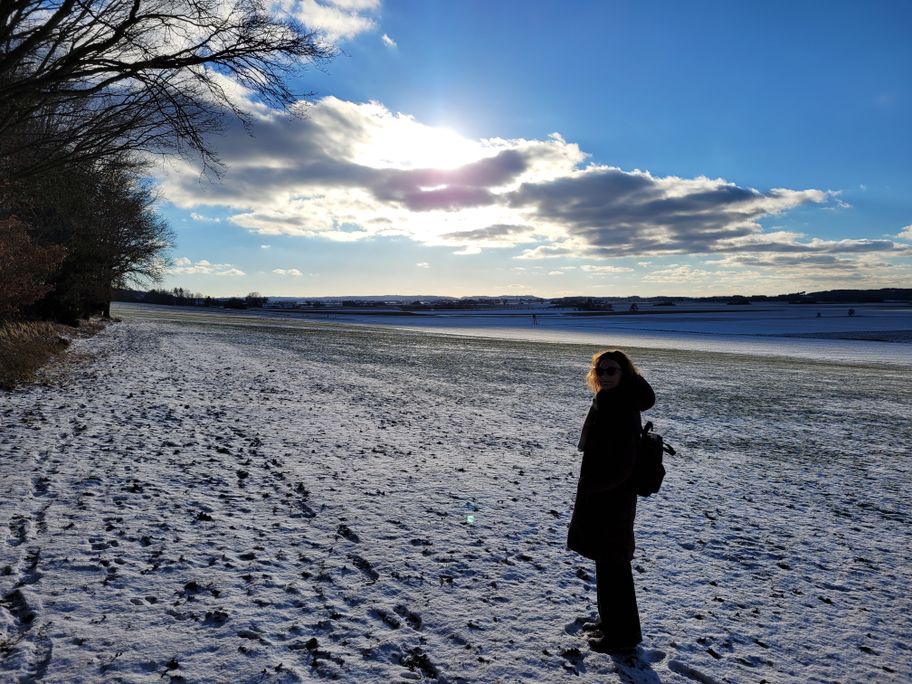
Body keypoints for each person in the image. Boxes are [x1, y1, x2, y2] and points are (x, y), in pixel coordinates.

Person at [567, 349, 655, 654]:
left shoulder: (620, 406)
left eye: (611, 371)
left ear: (624, 373)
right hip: (606, 497)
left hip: (611, 500)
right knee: (606, 564)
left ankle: (624, 636)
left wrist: (594, 487)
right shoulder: (610, 400)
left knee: (615, 567)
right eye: (600, 370)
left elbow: (624, 462)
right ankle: (610, 624)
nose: (604, 376)